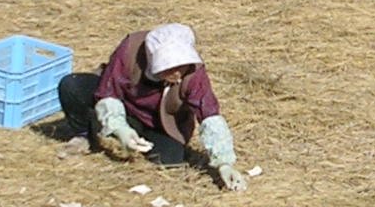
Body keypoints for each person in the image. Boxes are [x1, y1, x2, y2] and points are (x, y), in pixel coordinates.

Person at [61, 22, 247, 190]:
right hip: (125, 105)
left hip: (161, 122)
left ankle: (136, 134)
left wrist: (225, 164)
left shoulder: (194, 72)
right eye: (168, 67)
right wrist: (119, 128)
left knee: (170, 159)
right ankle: (84, 135)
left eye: (180, 66)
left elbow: (209, 115)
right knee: (73, 86)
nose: (176, 73)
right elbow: (109, 89)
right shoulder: (131, 49)